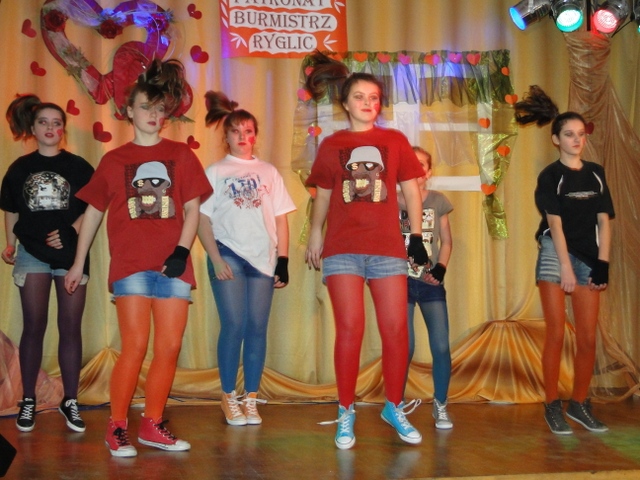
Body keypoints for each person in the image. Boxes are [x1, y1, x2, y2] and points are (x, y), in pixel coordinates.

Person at [64, 59, 212, 456]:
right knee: (135, 345)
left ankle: (152, 424)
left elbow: (193, 209)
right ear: (129, 110)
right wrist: (78, 263)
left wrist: (181, 252)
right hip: (130, 266)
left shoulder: (181, 154)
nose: (153, 115)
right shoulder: (114, 160)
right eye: (145, 107)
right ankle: (116, 427)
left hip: (173, 266)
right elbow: (92, 213)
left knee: (169, 347)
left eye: (159, 109)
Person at [303, 51, 429, 449]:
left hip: (387, 249)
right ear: (345, 102)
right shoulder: (332, 144)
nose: (367, 103)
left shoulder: (395, 141)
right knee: (350, 329)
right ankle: (346, 410)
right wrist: (315, 233)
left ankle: (393, 406)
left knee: (396, 330)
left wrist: (416, 238)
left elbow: (412, 190)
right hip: (342, 249)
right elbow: (323, 194)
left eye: (374, 98)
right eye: (359, 96)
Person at [514, 86, 614, 435]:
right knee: (556, 332)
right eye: (569, 134)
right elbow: (554, 225)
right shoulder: (550, 175)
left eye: (581, 134)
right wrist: (566, 267)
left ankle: (579, 404)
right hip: (556, 253)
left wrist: (602, 263)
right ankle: (552, 405)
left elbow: (604, 221)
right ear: (556, 139)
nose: (576, 140)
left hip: (589, 256)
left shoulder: (596, 172)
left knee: (587, 337)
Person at [198, 91, 296, 426]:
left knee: (256, 327)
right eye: (236, 131)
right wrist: (215, 258)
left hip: (262, 259)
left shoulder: (269, 171)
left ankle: (250, 398)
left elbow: (281, 218)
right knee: (234, 324)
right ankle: (228, 396)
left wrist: (283, 259)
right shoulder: (215, 171)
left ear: (255, 136)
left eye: (249, 131)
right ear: (226, 137)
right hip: (228, 253)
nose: (243, 137)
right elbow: (202, 219)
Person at [1, 94, 94, 433]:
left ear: (63, 129)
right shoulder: (19, 168)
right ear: (34, 128)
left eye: (57, 123)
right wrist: (10, 243)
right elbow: (11, 208)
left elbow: (94, 208)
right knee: (34, 325)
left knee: (70, 327)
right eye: (44, 122)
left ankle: (70, 400)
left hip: (71, 256)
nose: (50, 128)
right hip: (31, 254)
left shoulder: (80, 167)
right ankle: (28, 399)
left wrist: (70, 233)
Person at [399, 146, 454, 430]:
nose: (416, 167)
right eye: (411, 162)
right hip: (400, 282)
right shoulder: (392, 201)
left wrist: (441, 268)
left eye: (422, 164)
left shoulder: (437, 200)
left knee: (441, 345)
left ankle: (441, 403)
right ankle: (395, 405)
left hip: (429, 282)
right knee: (404, 346)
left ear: (428, 172)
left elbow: (446, 241)